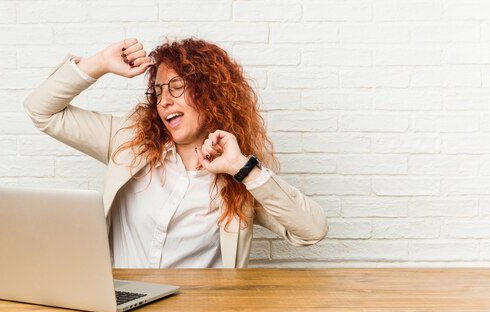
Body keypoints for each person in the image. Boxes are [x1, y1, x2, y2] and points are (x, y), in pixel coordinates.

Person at [23, 37, 328, 268]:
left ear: (211, 94)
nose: (164, 101)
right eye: (158, 91)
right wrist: (100, 62)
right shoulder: (127, 142)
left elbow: (312, 231)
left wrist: (241, 167)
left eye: (177, 87)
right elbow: (42, 111)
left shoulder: (240, 178)